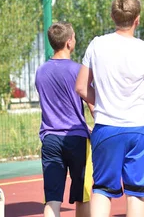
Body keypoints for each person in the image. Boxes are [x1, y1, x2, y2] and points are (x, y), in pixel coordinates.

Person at [75, 0, 144, 217]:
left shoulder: (97, 44)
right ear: (137, 19)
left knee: (102, 189)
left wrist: (102, 102)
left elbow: (81, 87)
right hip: (139, 129)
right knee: (136, 193)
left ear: (112, 17)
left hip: (107, 127)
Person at [35, 21, 91, 217]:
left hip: (50, 138)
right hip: (76, 138)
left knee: (52, 197)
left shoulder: (40, 71)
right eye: (74, 37)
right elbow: (92, 104)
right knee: (82, 195)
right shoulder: (78, 70)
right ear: (69, 42)